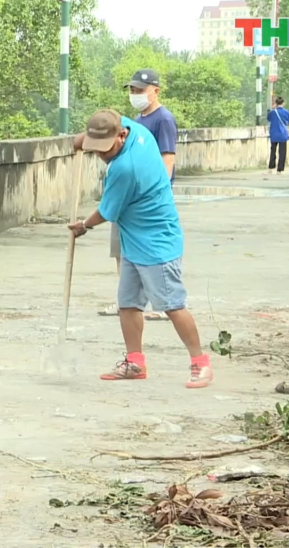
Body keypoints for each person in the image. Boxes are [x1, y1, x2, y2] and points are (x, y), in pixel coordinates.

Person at [68, 109, 212, 389]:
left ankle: (200, 363)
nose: (100, 155)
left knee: (172, 305)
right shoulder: (137, 130)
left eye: (104, 149)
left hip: (156, 242)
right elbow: (100, 130)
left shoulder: (125, 168)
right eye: (94, 149)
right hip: (133, 239)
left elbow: (106, 213)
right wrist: (83, 140)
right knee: (128, 303)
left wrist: (83, 225)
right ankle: (135, 362)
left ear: (120, 136)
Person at [100, 69, 177, 321]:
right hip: (126, 197)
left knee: (150, 253)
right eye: (132, 90)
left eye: (140, 90)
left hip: (145, 201)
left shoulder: (163, 119)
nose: (135, 95)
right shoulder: (135, 121)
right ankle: (128, 300)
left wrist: (156, 194)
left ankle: (160, 303)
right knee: (122, 250)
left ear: (155, 90)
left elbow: (167, 159)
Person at [266, 96, 289, 174]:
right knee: (282, 152)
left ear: (276, 103)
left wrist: (272, 109)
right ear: (283, 103)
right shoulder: (286, 112)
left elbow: (268, 118)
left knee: (273, 151)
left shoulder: (272, 112)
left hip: (274, 134)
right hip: (282, 134)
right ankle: (280, 169)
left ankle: (271, 168)